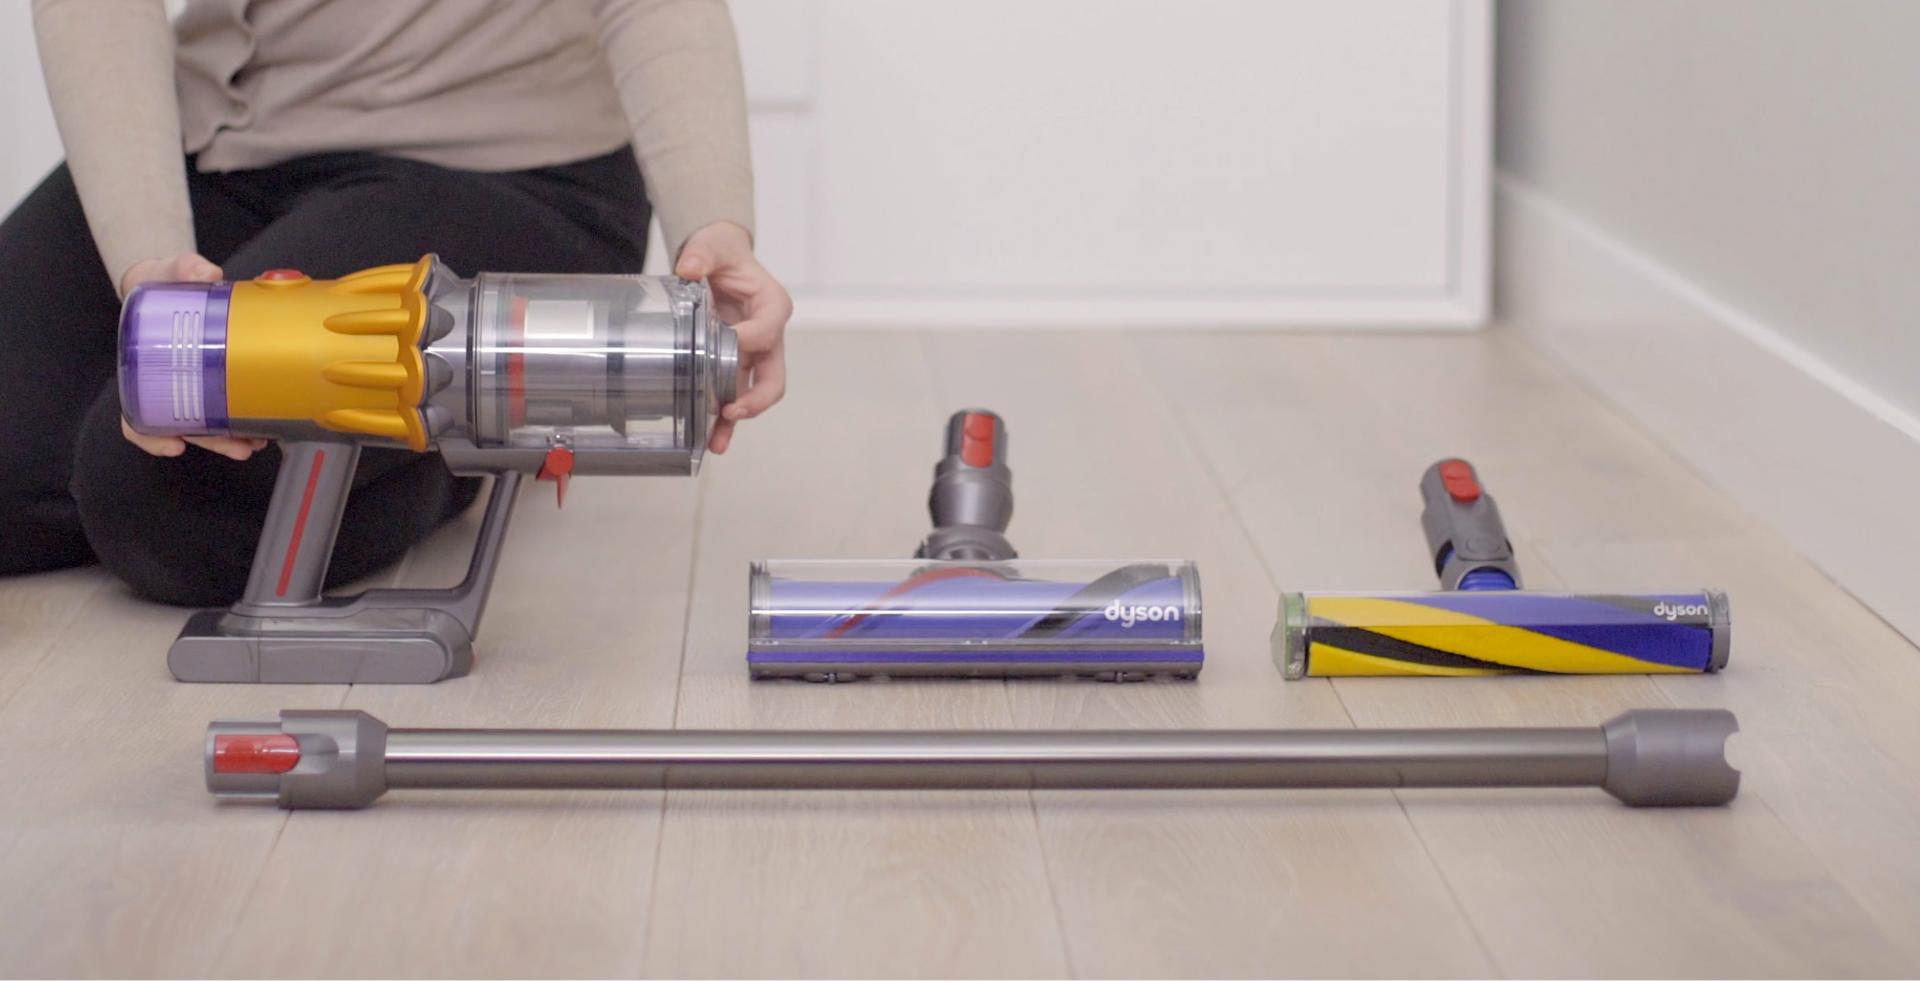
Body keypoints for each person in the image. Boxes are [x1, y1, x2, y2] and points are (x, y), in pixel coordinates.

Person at [0, 0, 791, 606]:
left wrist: (712, 222)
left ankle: (457, 445)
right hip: (217, 139)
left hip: (496, 170)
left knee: (160, 497)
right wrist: (147, 261)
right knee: (119, 425)